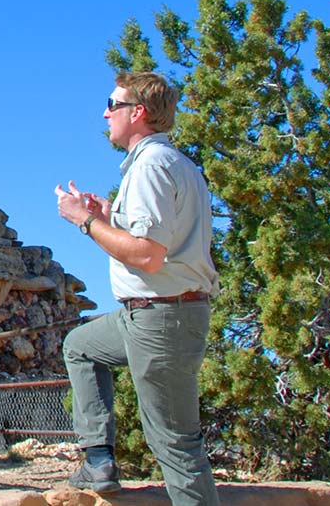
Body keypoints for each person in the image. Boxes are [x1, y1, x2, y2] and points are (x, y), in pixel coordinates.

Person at [53, 71, 219, 503]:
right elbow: (160, 239)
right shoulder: (172, 163)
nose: (105, 113)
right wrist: (109, 218)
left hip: (163, 315)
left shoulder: (151, 167)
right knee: (81, 346)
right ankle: (98, 461)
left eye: (114, 104)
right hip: (146, 313)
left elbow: (148, 255)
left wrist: (85, 221)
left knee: (177, 446)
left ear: (138, 113)